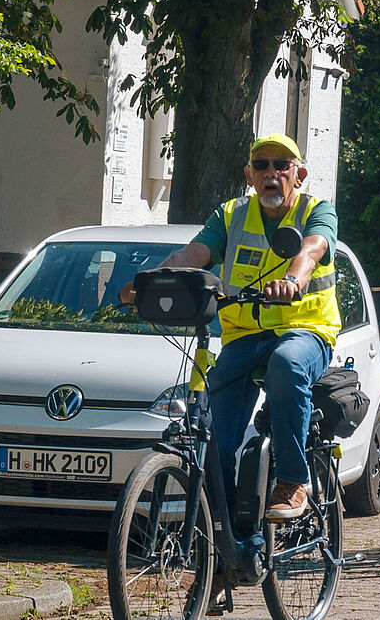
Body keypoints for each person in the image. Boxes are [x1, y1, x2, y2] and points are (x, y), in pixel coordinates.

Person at [118, 133, 340, 522]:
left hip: (305, 330)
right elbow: (193, 255)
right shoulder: (231, 214)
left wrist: (293, 280)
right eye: (261, 165)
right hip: (244, 337)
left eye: (281, 165)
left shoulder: (316, 210)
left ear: (299, 175)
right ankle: (230, 541)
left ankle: (292, 480)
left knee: (287, 365)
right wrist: (150, 283)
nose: (271, 173)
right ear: (249, 175)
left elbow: (312, 249)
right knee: (213, 437)